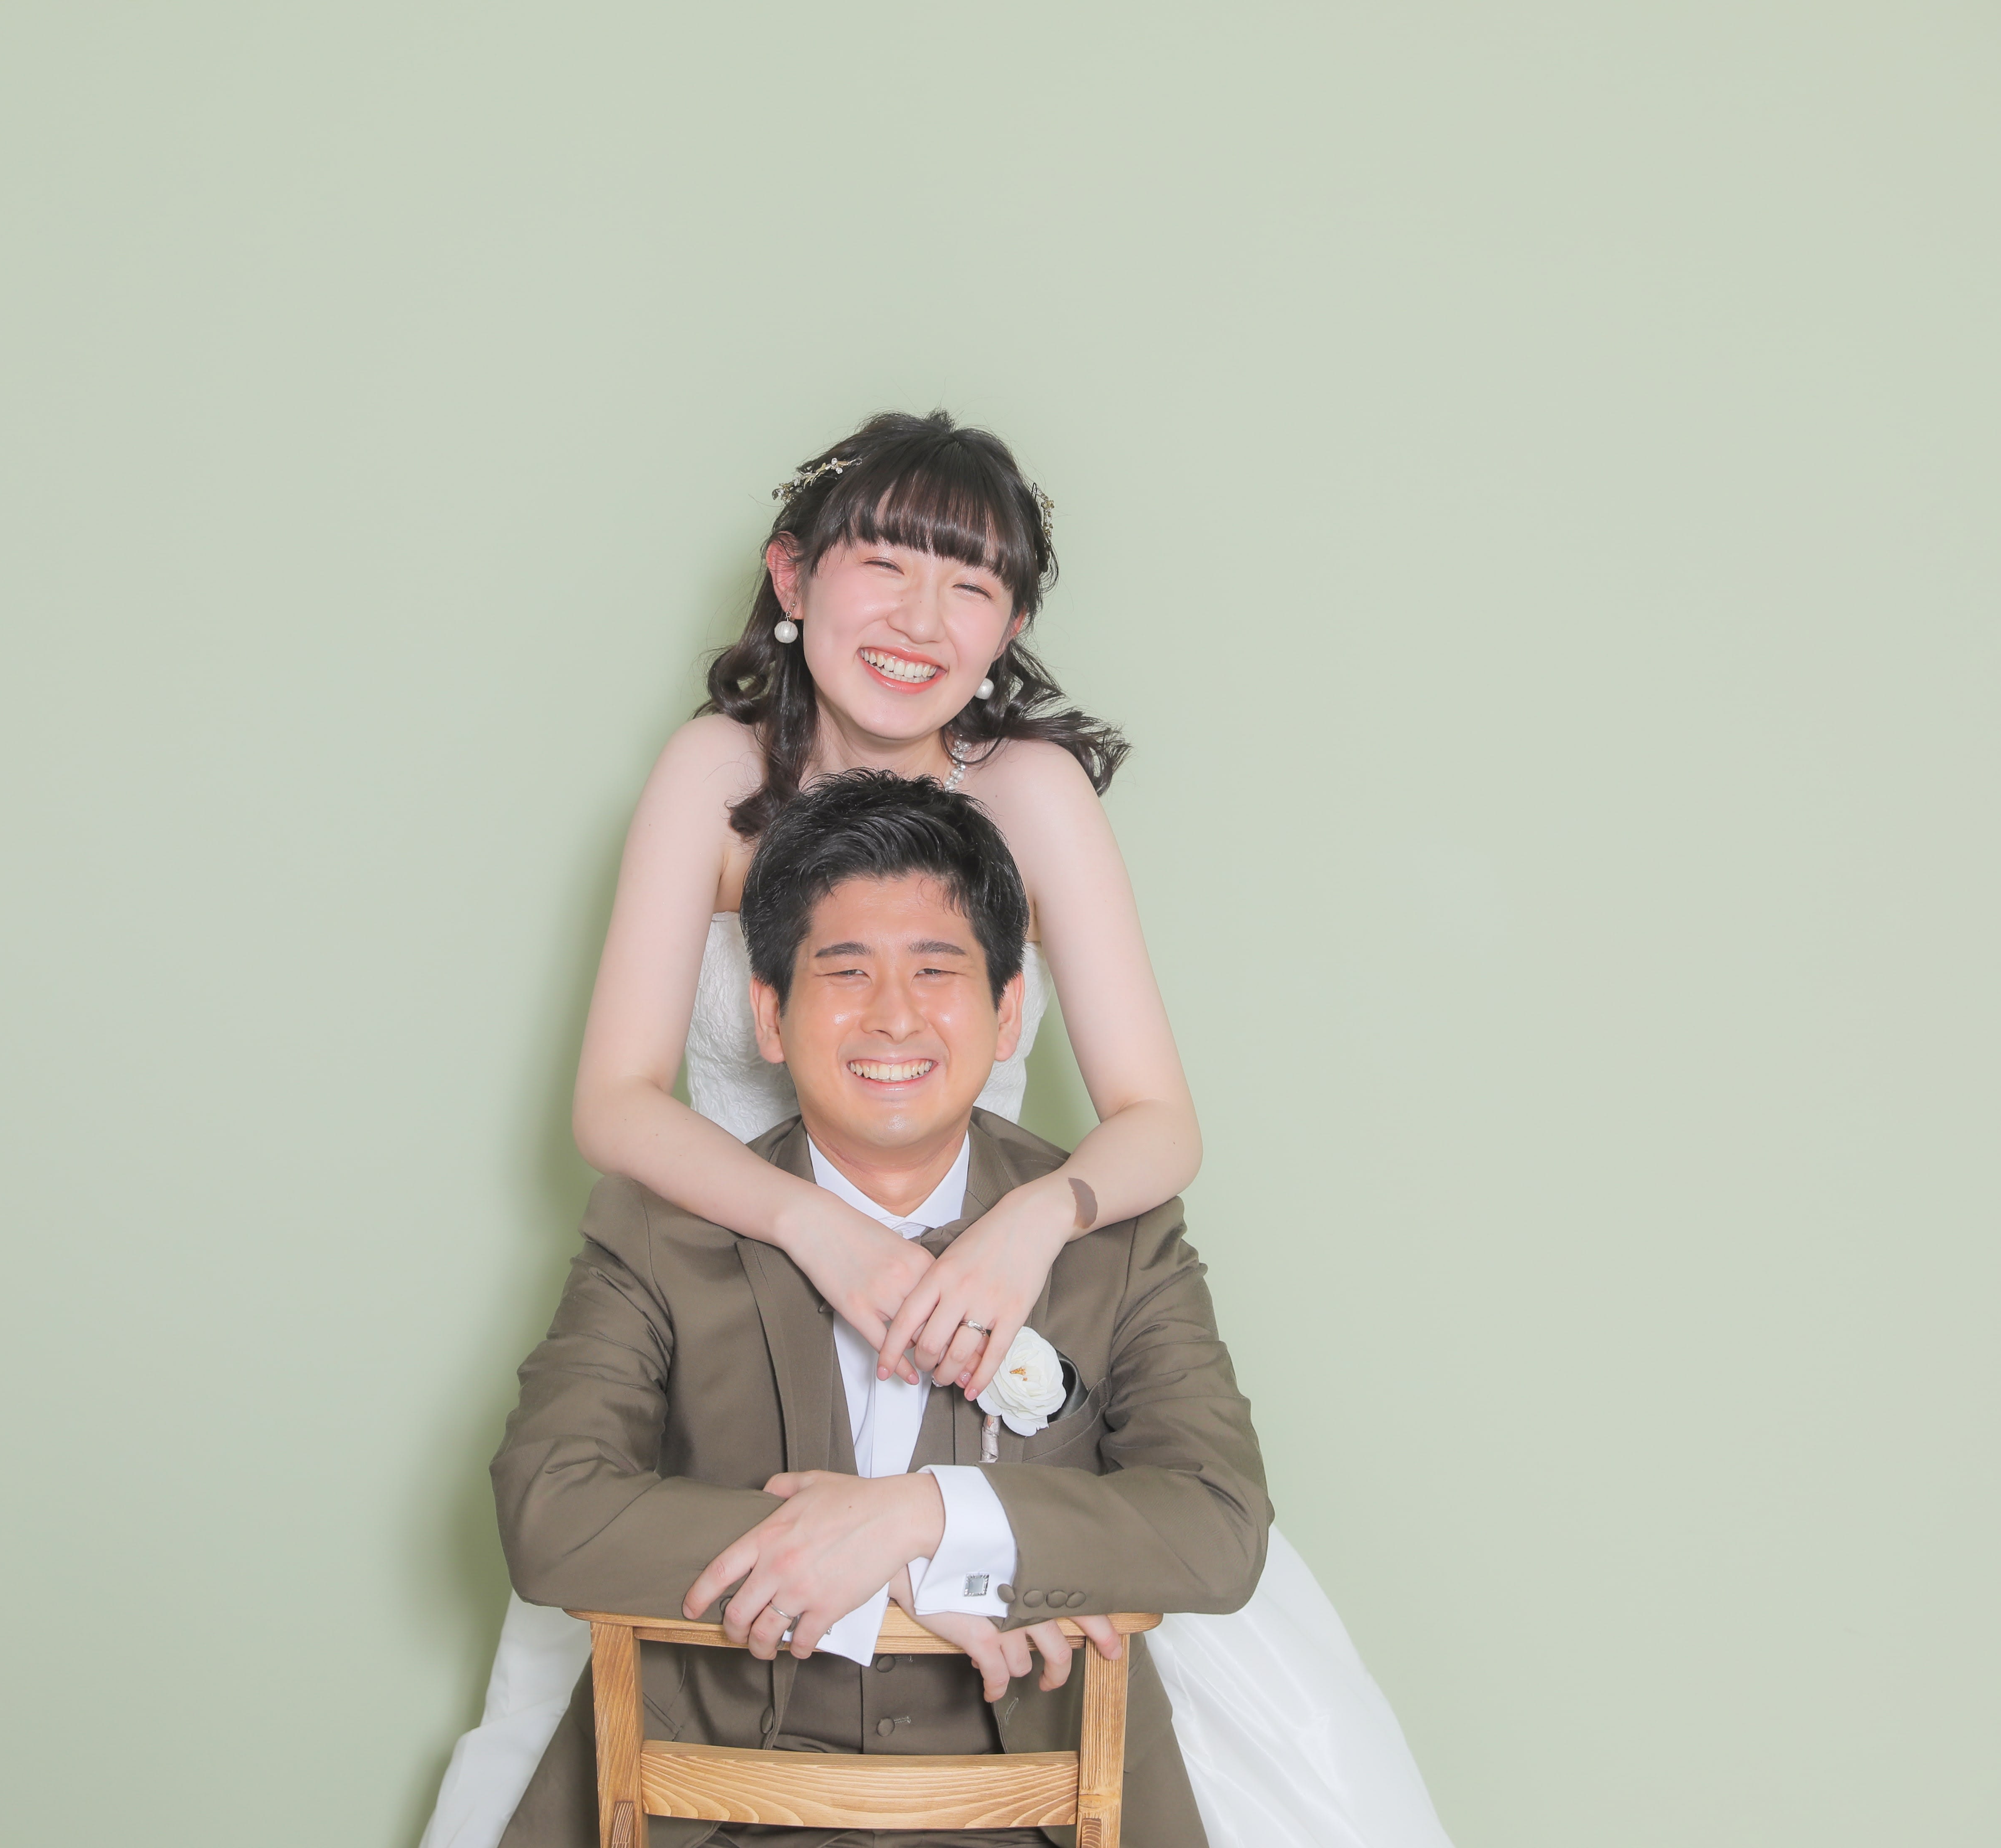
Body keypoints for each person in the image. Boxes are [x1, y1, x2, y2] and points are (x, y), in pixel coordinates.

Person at [422, 414, 1448, 1848]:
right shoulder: (713, 772)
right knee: (609, 1673)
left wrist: (1029, 1227)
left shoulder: (1028, 791)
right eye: (884, 565)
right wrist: (813, 1227)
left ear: (1010, 626)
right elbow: (616, 1099)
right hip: (734, 1291)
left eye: (969, 585)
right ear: (794, 577)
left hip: (978, 1286)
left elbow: (1158, 1120)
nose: (919, 620)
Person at [489, 771, 1268, 1847]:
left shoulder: (1115, 1237)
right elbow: (549, 1510)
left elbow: (1218, 1523)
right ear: (770, 1016)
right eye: (845, 971)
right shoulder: (656, 1230)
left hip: (1039, 1805)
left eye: (936, 971)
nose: (893, 1015)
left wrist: (926, 1517)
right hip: (706, 1802)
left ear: (1007, 1012)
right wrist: (881, 1574)